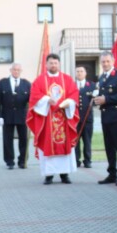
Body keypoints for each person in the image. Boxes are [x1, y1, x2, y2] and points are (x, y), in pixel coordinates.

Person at [26, 53, 79, 184]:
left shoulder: (67, 79)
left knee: (64, 146)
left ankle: (64, 174)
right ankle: (49, 175)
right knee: (47, 144)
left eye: (55, 63)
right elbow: (34, 96)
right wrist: (46, 100)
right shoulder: (39, 80)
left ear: (59, 64)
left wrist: (69, 103)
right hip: (47, 120)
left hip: (64, 119)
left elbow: (74, 94)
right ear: (46, 64)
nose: (53, 65)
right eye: (51, 63)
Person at [94, 51, 117, 185]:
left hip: (116, 117)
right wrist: (97, 99)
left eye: (107, 61)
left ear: (113, 61)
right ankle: (112, 174)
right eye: (103, 62)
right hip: (106, 117)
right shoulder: (102, 77)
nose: (105, 64)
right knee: (109, 147)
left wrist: (106, 99)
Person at [0, 62, 31, 169]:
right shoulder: (3, 82)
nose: (16, 71)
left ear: (21, 71)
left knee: (23, 139)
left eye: (18, 70)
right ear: (10, 70)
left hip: (22, 116)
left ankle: (22, 161)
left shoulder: (26, 83)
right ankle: (9, 161)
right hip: (7, 115)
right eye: (14, 69)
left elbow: (31, 100)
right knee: (7, 139)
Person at [74, 66, 96, 168]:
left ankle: (87, 160)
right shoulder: (72, 85)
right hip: (75, 119)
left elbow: (96, 101)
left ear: (85, 73)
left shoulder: (92, 86)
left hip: (87, 119)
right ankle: (76, 160)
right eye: (77, 71)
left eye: (81, 71)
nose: (79, 73)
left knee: (87, 141)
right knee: (75, 141)